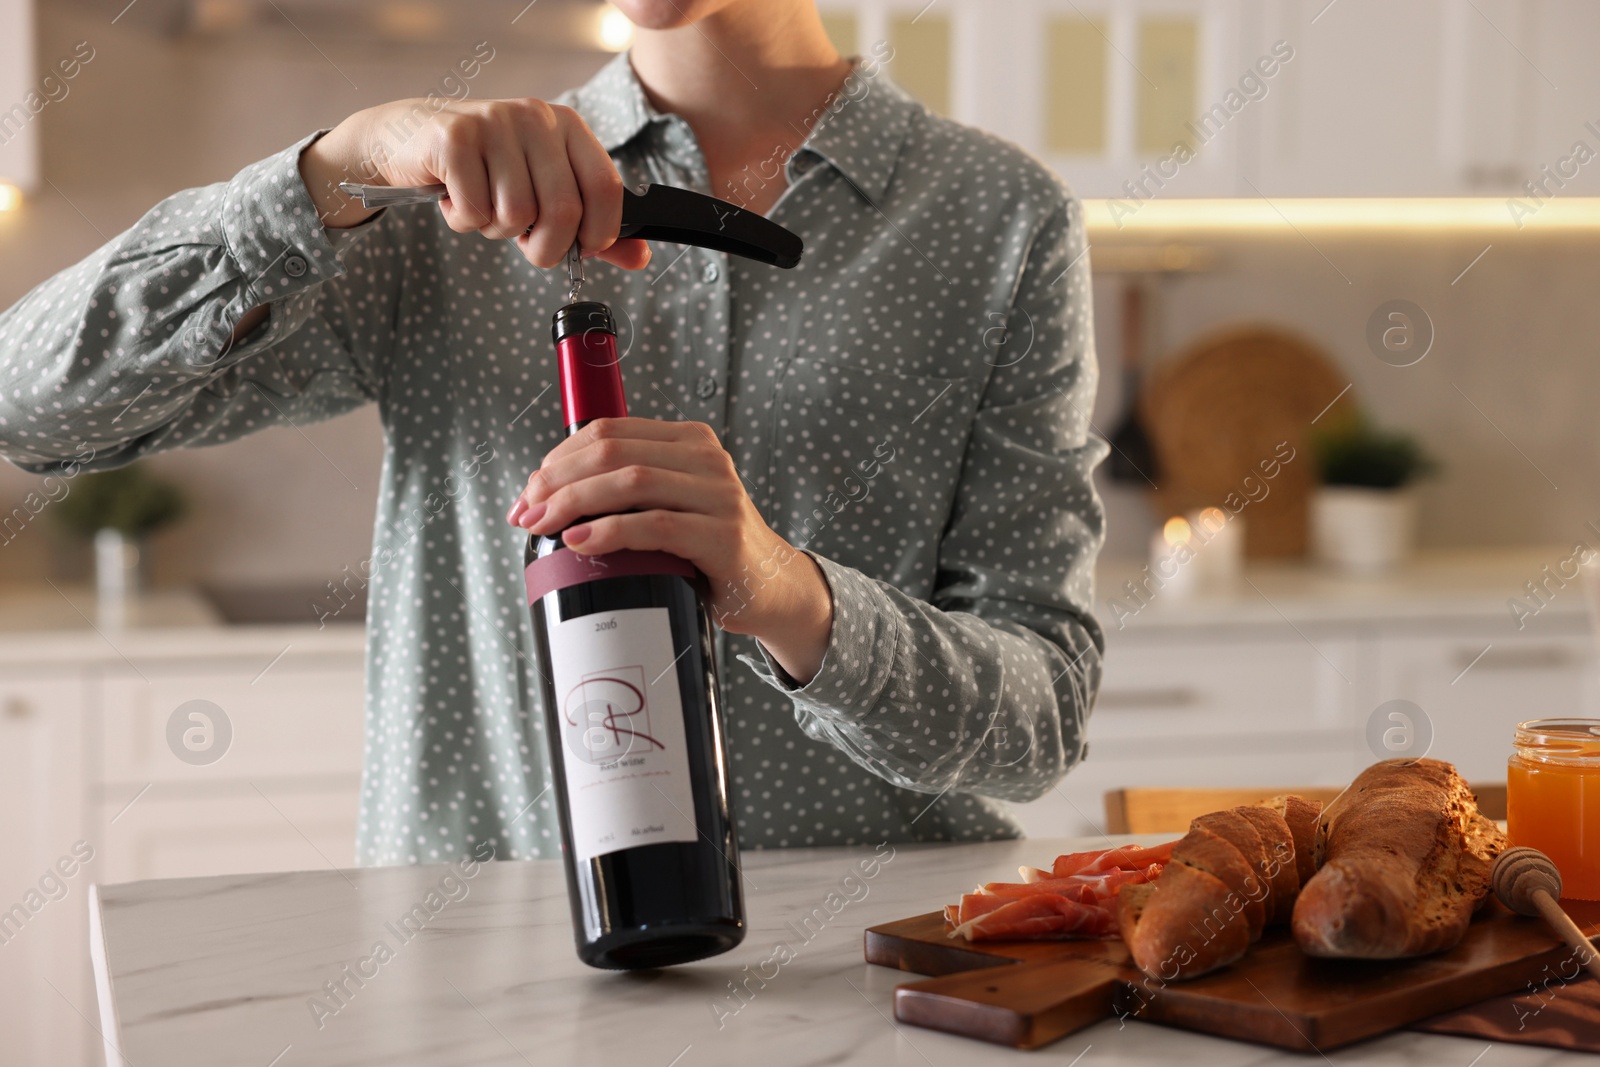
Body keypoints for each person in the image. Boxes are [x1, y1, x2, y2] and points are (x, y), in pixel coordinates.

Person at [0, 0, 1106, 864]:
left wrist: (789, 593)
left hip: (861, 973)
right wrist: (332, 169)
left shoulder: (1001, 219)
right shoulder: (432, 202)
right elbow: (28, 404)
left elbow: (1039, 721)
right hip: (482, 969)